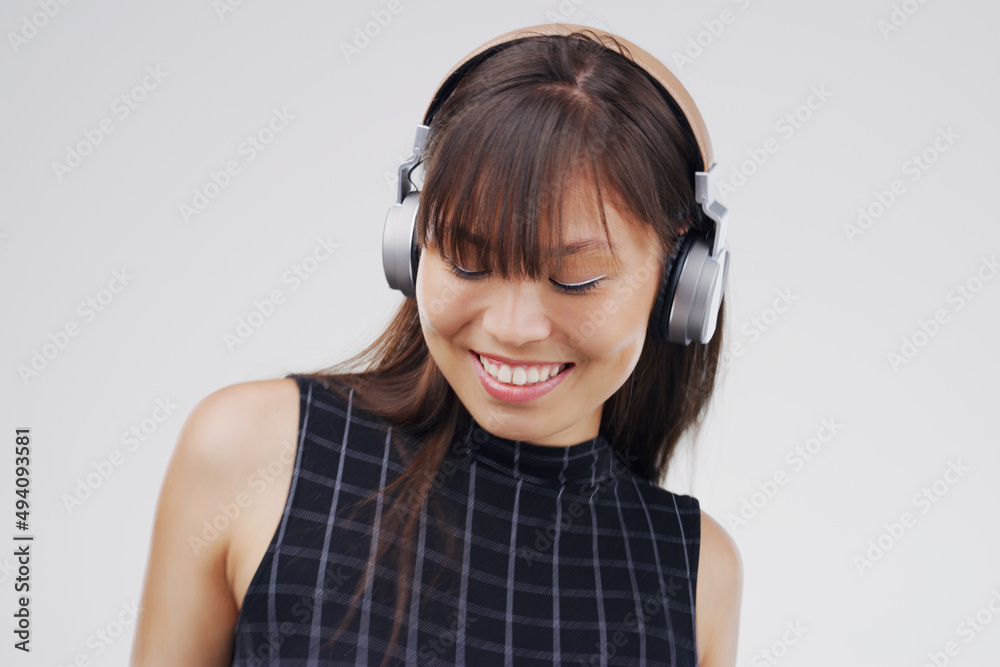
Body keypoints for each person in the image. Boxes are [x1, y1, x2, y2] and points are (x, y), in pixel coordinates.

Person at [131, 23, 742, 667]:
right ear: (412, 244)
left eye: (574, 279)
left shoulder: (696, 574)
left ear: (681, 280)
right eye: (469, 261)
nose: (512, 326)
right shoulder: (252, 449)